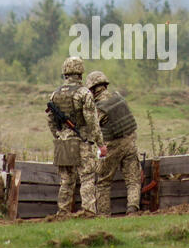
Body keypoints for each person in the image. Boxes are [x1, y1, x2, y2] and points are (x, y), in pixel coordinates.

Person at [47, 57, 107, 217]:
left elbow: (50, 121)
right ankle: (88, 211)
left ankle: (62, 213)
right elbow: (92, 121)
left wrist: (59, 135)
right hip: (81, 141)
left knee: (66, 180)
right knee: (87, 177)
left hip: (62, 142)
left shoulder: (55, 95)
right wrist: (101, 144)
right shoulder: (84, 93)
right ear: (80, 72)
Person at [86, 71, 141, 215]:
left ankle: (104, 216)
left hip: (111, 146)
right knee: (133, 180)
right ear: (104, 85)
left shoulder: (99, 106)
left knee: (103, 182)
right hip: (130, 143)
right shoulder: (118, 97)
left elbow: (92, 128)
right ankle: (132, 210)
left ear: (92, 89)